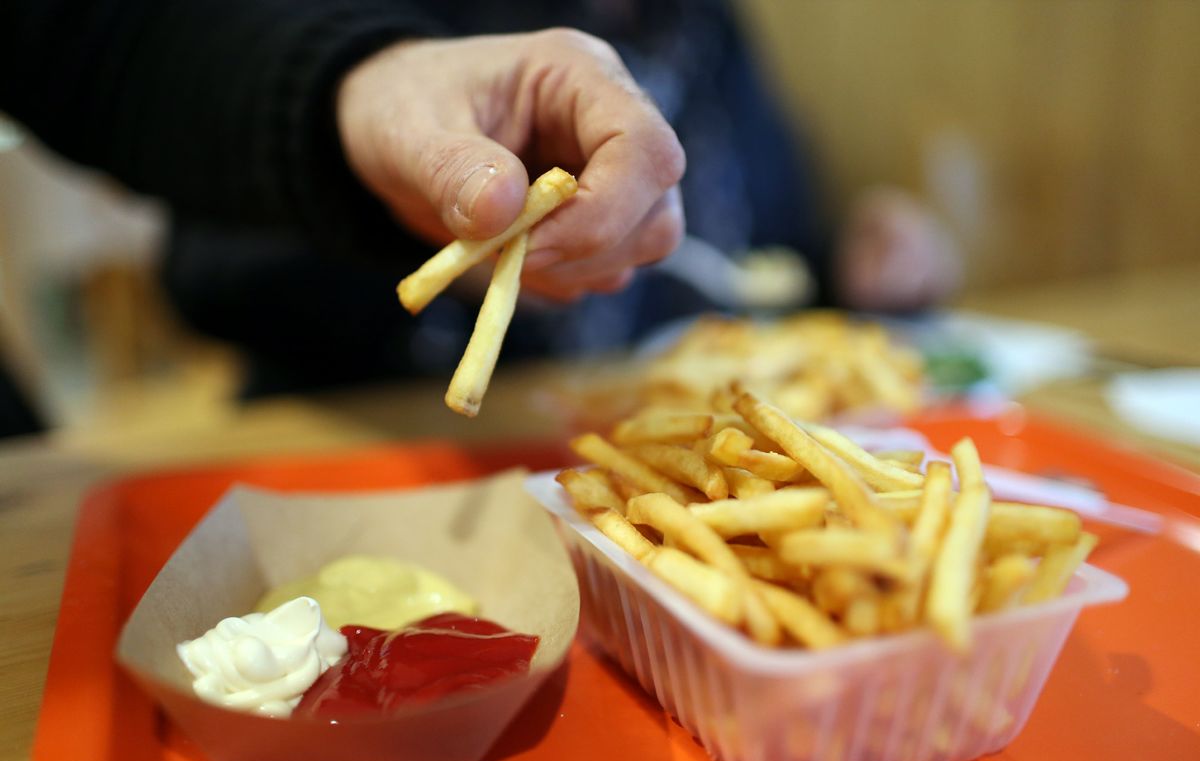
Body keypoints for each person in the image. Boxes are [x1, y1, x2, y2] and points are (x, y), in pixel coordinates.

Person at [1, 0, 958, 412]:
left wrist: (853, 253)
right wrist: (431, 235)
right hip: (390, 459)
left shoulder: (706, 27)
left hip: (613, 465)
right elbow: (213, 273)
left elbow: (753, 245)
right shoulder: (435, 18)